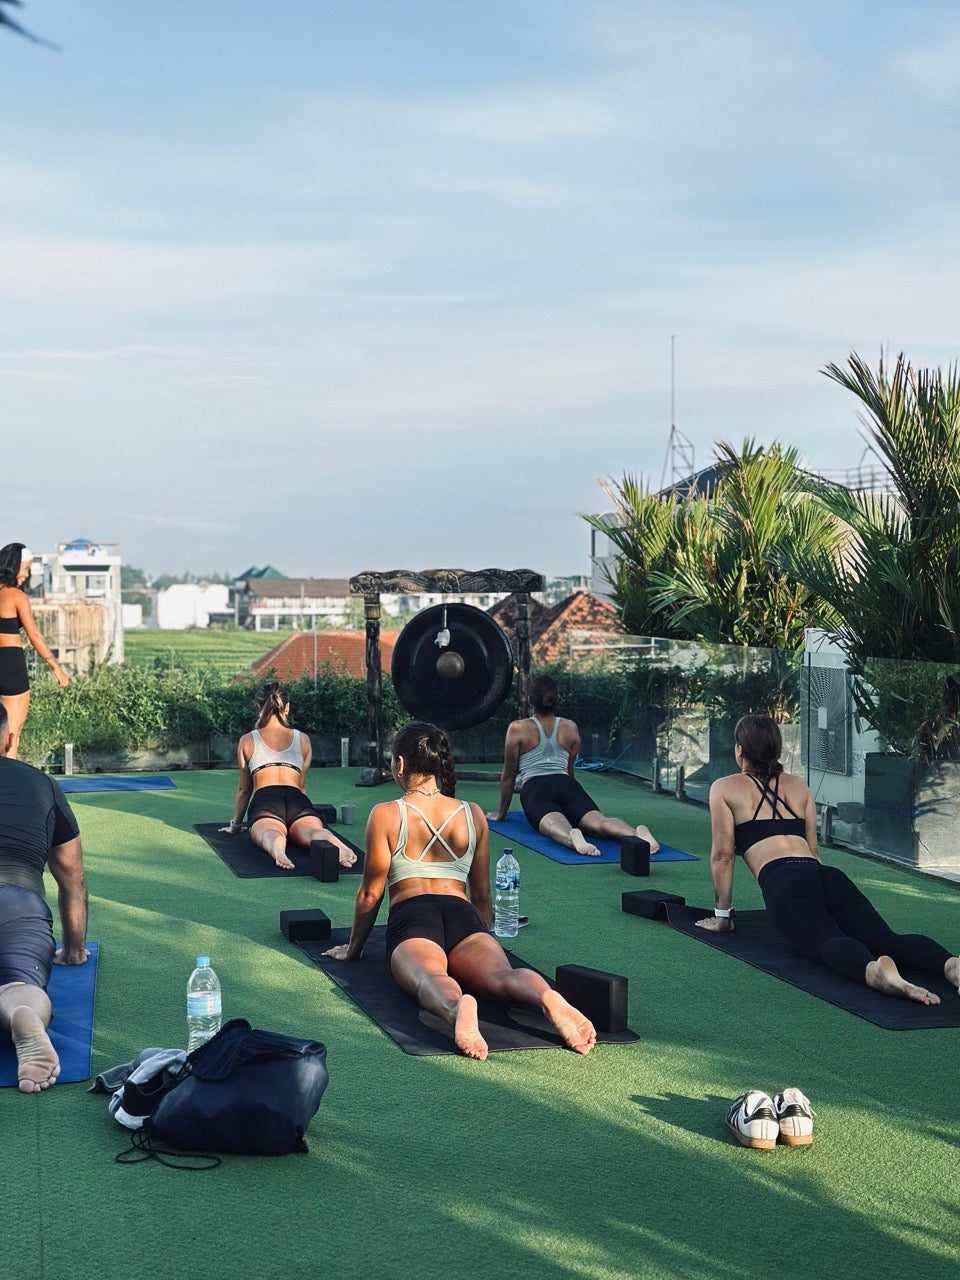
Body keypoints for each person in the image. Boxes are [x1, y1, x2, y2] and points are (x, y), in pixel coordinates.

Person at [323, 720, 596, 1060]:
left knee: (429, 977)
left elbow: (370, 894)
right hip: (464, 915)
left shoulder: (387, 814)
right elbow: (481, 896)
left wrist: (353, 948)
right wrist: (482, 941)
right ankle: (545, 996)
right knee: (501, 976)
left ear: (400, 764)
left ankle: (456, 1008)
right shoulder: (473, 813)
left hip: (413, 917)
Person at [697, 713, 960, 1005]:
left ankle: (876, 973)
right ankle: (951, 965)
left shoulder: (724, 788)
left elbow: (723, 856)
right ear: (776, 748)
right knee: (887, 940)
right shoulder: (799, 787)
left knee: (827, 942)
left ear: (739, 749)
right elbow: (814, 851)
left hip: (785, 883)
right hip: (827, 877)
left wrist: (723, 918)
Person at [0, 702, 89, 1092]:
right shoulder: (43, 784)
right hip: (18, 903)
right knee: (18, 985)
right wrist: (73, 951)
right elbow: (72, 878)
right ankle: (20, 1010)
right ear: (9, 738)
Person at [486, 674, 659, 858]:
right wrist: (572, 801)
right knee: (599, 822)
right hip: (568, 786)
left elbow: (508, 777)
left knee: (553, 825)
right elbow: (569, 771)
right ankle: (636, 833)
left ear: (529, 700)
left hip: (536, 789)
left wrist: (500, 814)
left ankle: (571, 835)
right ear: (556, 700)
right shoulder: (570, 727)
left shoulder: (517, 728)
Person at [220, 681, 356, 870]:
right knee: (314, 831)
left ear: (258, 707)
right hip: (297, 800)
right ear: (287, 707)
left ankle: (277, 847)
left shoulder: (248, 740)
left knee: (270, 831)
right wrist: (306, 811)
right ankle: (335, 843)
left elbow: (244, 789)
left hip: (266, 800)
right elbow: (301, 786)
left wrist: (235, 826)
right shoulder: (302, 739)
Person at [0, 543, 69, 759]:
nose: (27, 574)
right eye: (25, 568)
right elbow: (35, 636)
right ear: (13, 567)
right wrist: (56, 667)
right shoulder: (16, 596)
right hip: (11, 666)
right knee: (12, 732)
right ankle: (9, 785)